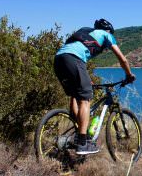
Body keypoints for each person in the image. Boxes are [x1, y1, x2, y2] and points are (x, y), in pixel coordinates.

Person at [54, 18, 135, 155]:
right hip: (74, 59)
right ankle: (82, 142)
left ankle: (78, 128)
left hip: (59, 60)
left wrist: (86, 79)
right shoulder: (107, 35)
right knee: (85, 100)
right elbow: (123, 59)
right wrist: (129, 75)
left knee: (75, 95)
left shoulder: (84, 32)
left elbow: (75, 55)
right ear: (108, 31)